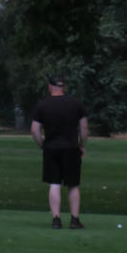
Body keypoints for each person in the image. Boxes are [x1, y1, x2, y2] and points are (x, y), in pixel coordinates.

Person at [30, 75, 88, 229]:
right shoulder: (76, 104)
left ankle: (56, 219)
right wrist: (82, 145)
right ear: (64, 87)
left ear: (50, 87)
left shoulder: (42, 105)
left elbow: (35, 131)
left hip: (51, 148)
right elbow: (83, 129)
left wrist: (42, 145)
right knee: (73, 184)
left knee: (54, 183)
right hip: (71, 147)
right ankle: (74, 219)